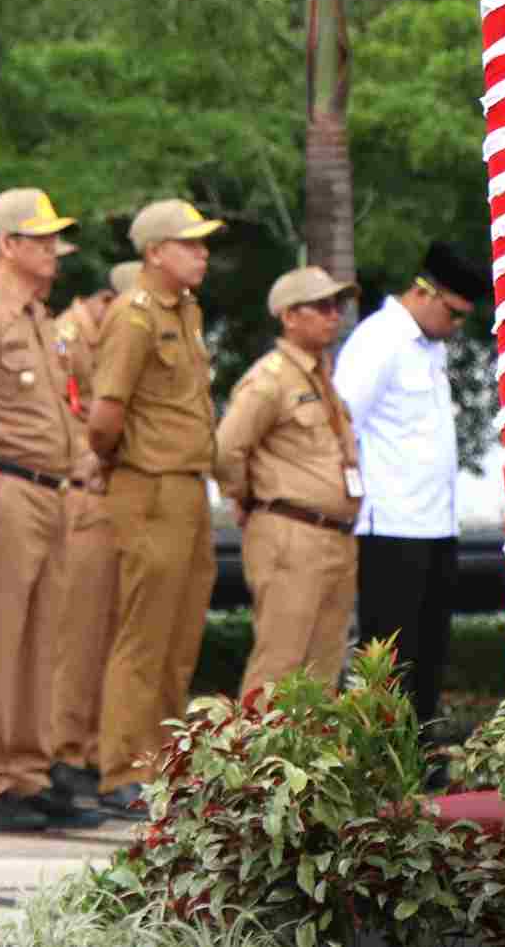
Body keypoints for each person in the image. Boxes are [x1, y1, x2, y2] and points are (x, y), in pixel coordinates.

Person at [0, 188, 97, 831]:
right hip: (1, 487)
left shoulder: (41, 318)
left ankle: (28, 772)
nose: (54, 251)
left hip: (52, 491)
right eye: (40, 240)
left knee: (42, 640)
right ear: (7, 244)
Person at [86, 199, 223, 819]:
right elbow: (105, 415)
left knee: (180, 636)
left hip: (190, 486)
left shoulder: (186, 311)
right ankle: (123, 768)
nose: (203, 253)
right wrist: (123, 465)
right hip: (150, 485)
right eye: (190, 243)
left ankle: (164, 762)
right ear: (155, 252)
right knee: (143, 636)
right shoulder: (135, 316)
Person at [333, 242, 485, 732]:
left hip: (435, 524)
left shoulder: (430, 347)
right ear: (425, 292)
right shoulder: (378, 340)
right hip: (390, 526)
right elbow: (340, 426)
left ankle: (419, 757)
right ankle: (381, 764)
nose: (458, 328)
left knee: (428, 655)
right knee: (389, 660)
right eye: (456, 314)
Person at [215, 266, 361, 702]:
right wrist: (245, 497)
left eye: (337, 306)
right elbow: (225, 450)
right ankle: (258, 769)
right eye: (321, 306)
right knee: (279, 665)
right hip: (289, 532)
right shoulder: (271, 378)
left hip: (334, 536)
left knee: (323, 671)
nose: (333, 315)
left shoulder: (321, 376)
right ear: (288, 316)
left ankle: (307, 770)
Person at [44, 261, 138, 803]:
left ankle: (97, 750)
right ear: (106, 299)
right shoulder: (68, 336)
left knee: (109, 634)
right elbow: (66, 413)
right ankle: (66, 751)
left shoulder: (105, 339)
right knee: (76, 636)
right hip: (81, 493)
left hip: (112, 494)